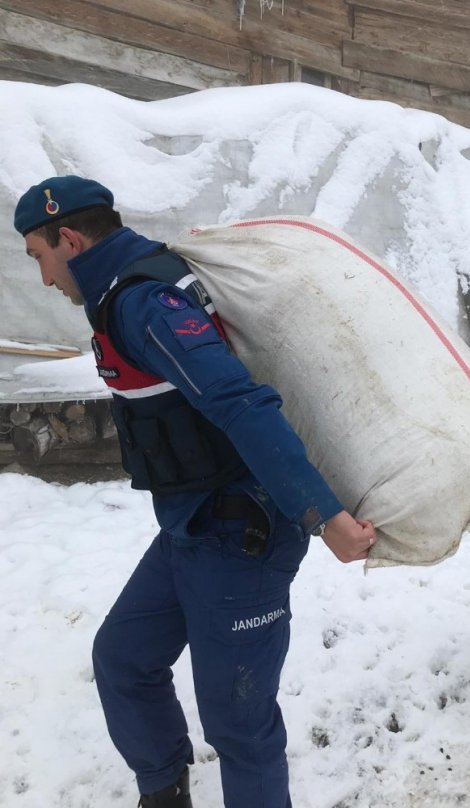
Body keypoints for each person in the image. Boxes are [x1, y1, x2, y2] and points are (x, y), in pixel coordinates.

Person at [14, 175, 376, 808]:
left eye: (39, 257)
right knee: (124, 660)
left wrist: (325, 515)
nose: (45, 278)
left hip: (243, 533)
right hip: (191, 524)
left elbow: (241, 404)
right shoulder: (129, 282)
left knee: (239, 721)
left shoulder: (143, 303)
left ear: (68, 239)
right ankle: (164, 792)